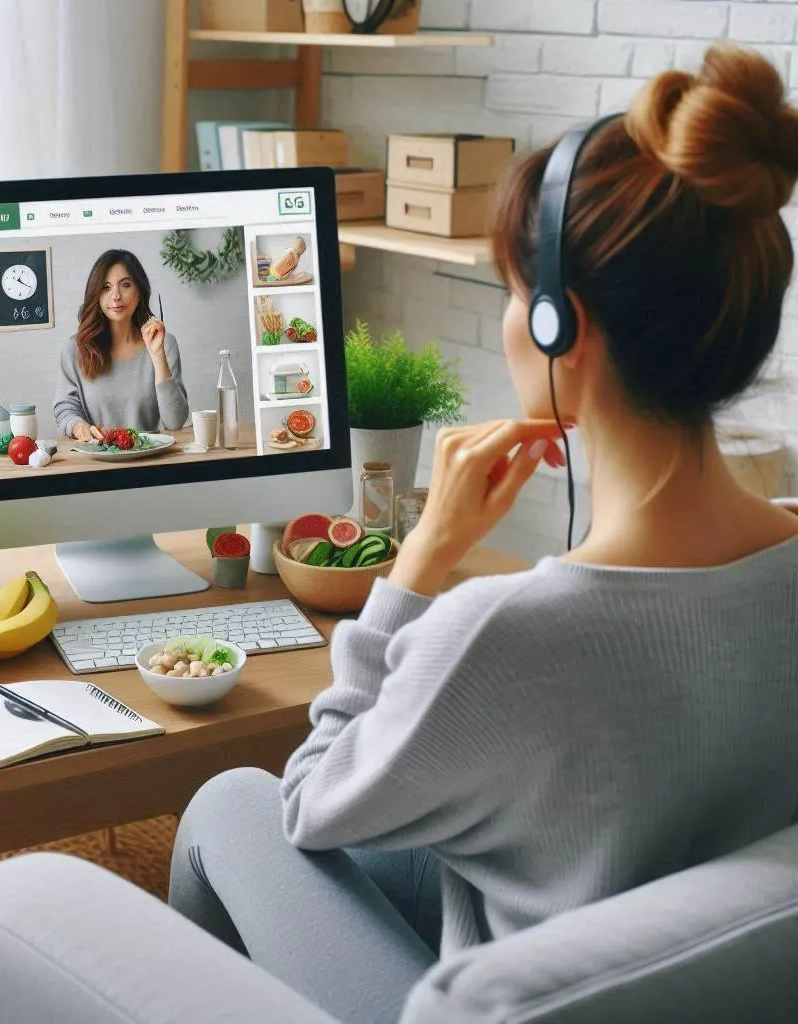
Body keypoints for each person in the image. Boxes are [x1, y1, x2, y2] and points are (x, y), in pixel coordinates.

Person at [165, 44, 798, 1024]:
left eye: (510, 290)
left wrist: (416, 564)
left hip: (504, 996)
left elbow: (314, 798)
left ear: (560, 327)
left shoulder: (507, 634)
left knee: (233, 804)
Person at [54, 249, 189, 439]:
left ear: (140, 290)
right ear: (96, 294)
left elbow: (175, 422)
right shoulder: (75, 349)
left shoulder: (165, 343)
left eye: (125, 285)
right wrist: (78, 427)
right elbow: (65, 407)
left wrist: (158, 356)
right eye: (106, 287)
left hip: (149, 460)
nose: (116, 296)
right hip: (97, 461)